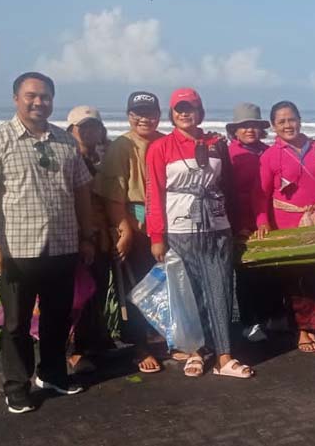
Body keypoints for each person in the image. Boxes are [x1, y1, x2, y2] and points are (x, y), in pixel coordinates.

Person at [0, 72, 95, 413]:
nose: (39, 102)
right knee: (16, 323)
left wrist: (87, 236)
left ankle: (52, 373)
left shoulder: (66, 141)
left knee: (57, 316)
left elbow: (82, 192)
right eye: (31, 96)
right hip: (16, 251)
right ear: (16, 99)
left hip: (63, 245)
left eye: (46, 96)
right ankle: (16, 385)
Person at [145, 88, 252, 379]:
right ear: (171, 113)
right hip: (179, 228)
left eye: (189, 107)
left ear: (200, 111)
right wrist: (156, 235)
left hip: (217, 227)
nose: (184, 113)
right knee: (188, 293)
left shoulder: (216, 143)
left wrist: (239, 223)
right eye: (178, 109)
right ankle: (195, 351)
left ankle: (224, 356)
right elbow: (153, 193)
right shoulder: (161, 148)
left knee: (220, 290)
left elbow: (228, 188)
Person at [254, 101, 315, 353]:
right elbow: (260, 194)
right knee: (296, 280)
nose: (288, 125)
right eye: (282, 121)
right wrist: (262, 222)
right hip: (287, 226)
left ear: (300, 120)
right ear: (273, 126)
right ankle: (302, 329)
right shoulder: (269, 156)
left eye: (292, 119)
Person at [94, 92, 167, 373]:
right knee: (134, 285)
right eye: (138, 113)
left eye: (149, 113)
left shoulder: (164, 140)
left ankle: (163, 337)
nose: (144, 119)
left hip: (166, 219)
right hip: (134, 219)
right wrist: (124, 230)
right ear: (129, 116)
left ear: (158, 115)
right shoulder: (122, 145)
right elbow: (114, 196)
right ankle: (139, 345)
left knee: (163, 284)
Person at [65, 105, 113, 374]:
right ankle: (75, 352)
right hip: (78, 236)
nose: (89, 131)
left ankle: (95, 341)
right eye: (82, 126)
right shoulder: (68, 158)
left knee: (97, 291)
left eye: (94, 126)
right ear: (71, 130)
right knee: (78, 297)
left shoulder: (103, 156)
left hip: (102, 235)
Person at [224, 103, 275, 342]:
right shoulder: (228, 155)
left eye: (254, 125)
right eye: (244, 126)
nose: (250, 130)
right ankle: (249, 322)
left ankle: (269, 318)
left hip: (269, 220)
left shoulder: (269, 151)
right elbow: (227, 194)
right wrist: (237, 224)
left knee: (269, 273)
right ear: (235, 130)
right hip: (241, 221)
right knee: (246, 275)